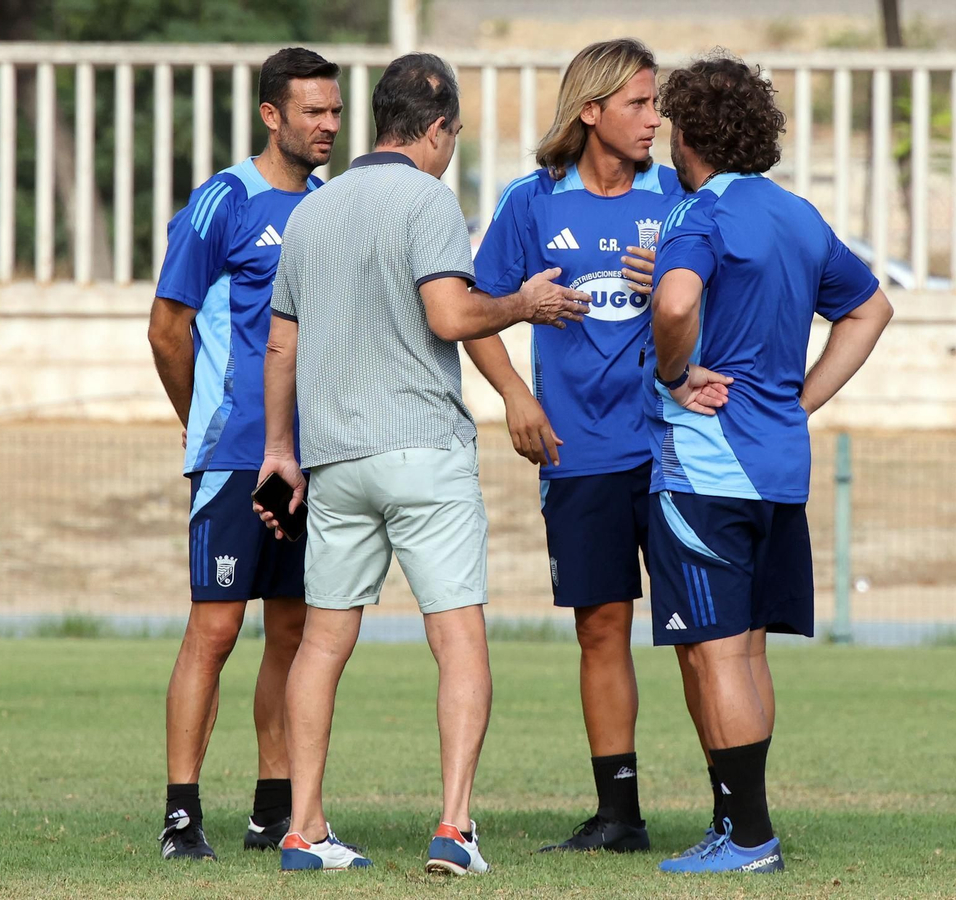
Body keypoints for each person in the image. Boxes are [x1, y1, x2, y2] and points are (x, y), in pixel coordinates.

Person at [254, 52, 591, 874]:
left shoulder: (311, 210)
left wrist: (279, 451)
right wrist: (524, 303)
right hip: (421, 449)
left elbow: (281, 345)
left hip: (334, 456)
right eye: (455, 134)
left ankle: (304, 828)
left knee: (321, 644)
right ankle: (453, 827)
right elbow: (449, 315)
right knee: (458, 636)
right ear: (436, 129)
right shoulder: (430, 200)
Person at [466, 38, 725, 855]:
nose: (655, 119)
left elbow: (728, 298)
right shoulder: (531, 201)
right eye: (639, 104)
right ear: (590, 110)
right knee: (601, 629)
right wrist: (516, 395)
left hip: (674, 451)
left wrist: (677, 292)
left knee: (699, 634)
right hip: (576, 452)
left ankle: (734, 814)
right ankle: (619, 818)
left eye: (656, 104)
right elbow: (474, 310)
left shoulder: (679, 195)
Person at [645, 52, 893, 875]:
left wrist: (673, 375)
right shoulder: (797, 215)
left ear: (687, 133)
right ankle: (739, 826)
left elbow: (676, 301)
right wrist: (800, 401)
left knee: (717, 654)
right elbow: (871, 309)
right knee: (747, 653)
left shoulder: (698, 212)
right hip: (780, 469)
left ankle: (749, 839)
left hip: (708, 469)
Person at [145, 47, 342, 861]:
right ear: (271, 115)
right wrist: (204, 422)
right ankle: (181, 815)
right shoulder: (223, 200)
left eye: (335, 112)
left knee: (292, 631)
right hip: (233, 459)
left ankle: (272, 810)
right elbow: (167, 328)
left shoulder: (330, 207)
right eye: (312, 112)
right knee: (216, 629)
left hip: (310, 459)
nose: (328, 126)